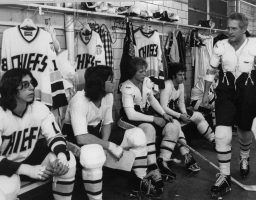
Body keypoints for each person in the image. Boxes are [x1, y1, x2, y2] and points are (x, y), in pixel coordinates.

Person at [62, 65, 159, 199]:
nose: (113, 83)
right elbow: (81, 138)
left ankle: (140, 180)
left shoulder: (107, 96)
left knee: (138, 135)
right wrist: (110, 146)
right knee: (92, 154)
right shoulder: (79, 100)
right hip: (73, 140)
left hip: (96, 135)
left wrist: (106, 143)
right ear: (99, 83)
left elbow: (107, 123)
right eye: (110, 80)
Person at [202, 12, 256, 199]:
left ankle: (244, 157)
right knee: (222, 133)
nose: (229, 31)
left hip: (248, 92)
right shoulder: (220, 46)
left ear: (244, 29)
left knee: (244, 130)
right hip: (225, 91)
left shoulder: (255, 45)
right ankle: (224, 176)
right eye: (228, 27)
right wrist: (205, 94)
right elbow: (210, 70)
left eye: (233, 28)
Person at [0, 68, 76, 200]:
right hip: (5, 167)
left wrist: (62, 156)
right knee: (7, 189)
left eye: (32, 83)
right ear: (11, 88)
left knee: (68, 162)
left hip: (27, 158)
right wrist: (28, 169)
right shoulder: (1, 114)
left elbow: (54, 136)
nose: (32, 88)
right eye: (25, 85)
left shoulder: (38, 108)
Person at [118, 57, 180, 187]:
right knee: (149, 128)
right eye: (140, 71)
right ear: (132, 72)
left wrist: (163, 114)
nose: (144, 74)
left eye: (145, 71)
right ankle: (152, 166)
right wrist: (154, 119)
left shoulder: (146, 81)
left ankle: (163, 160)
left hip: (146, 114)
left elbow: (152, 100)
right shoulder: (126, 86)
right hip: (130, 120)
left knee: (173, 127)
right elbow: (131, 114)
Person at [160, 62, 215, 170]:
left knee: (198, 116)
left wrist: (184, 113)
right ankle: (187, 156)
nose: (183, 77)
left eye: (183, 74)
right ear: (173, 75)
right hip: (165, 114)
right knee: (176, 127)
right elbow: (163, 107)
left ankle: (213, 139)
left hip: (176, 111)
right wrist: (180, 116)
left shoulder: (180, 85)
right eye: (180, 75)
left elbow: (181, 103)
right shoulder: (167, 85)